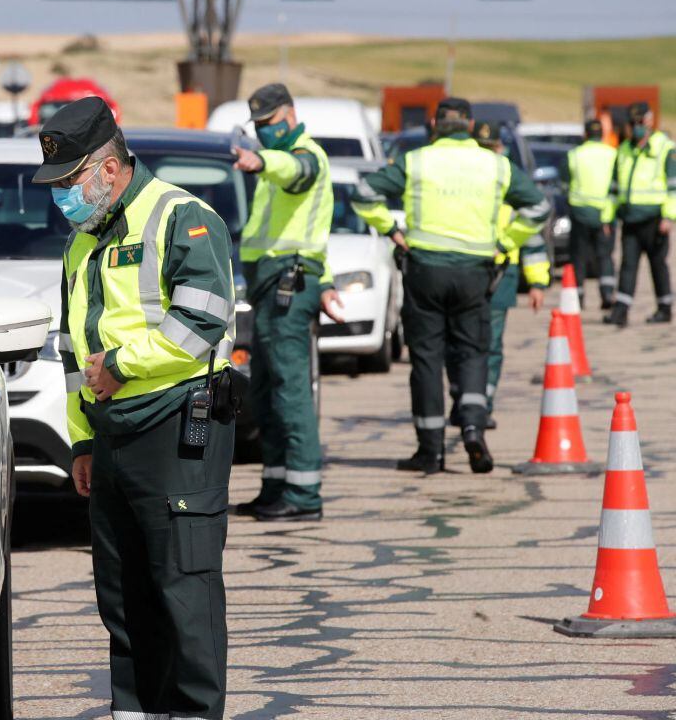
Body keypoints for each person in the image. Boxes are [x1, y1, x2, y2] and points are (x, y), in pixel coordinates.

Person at [35, 97, 235, 720]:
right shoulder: (83, 240)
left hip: (177, 425)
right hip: (113, 435)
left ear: (110, 168)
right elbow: (73, 349)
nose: (63, 196)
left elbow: (205, 317)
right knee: (121, 592)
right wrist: (82, 442)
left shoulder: (180, 216)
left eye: (71, 182)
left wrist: (123, 366)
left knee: (183, 585)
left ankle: (192, 711)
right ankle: (137, 710)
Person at [351, 97, 550, 475]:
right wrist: (507, 243)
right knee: (474, 351)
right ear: (471, 126)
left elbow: (364, 195)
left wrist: (391, 230)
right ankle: (473, 426)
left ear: (434, 125)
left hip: (425, 270)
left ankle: (430, 450)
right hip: (476, 272)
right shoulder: (495, 165)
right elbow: (539, 207)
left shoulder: (417, 161)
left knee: (426, 358)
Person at [230, 82, 343, 523]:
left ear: (290, 116)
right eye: (258, 128)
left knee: (291, 391)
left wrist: (261, 160)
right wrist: (327, 280)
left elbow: (296, 170)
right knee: (269, 391)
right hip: (274, 286)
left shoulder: (305, 156)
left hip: (287, 287)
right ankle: (276, 486)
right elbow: (311, 232)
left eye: (271, 124)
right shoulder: (279, 162)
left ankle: (303, 493)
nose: (264, 133)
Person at [448, 120, 548, 431]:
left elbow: (531, 234)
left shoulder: (509, 180)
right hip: (472, 269)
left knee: (481, 343)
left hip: (496, 273)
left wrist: (537, 281)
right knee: (464, 341)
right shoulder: (479, 178)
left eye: (491, 149)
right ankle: (467, 401)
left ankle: (480, 405)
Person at [604, 102, 676, 326]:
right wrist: (608, 217)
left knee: (658, 264)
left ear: (649, 121)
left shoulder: (664, 148)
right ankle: (621, 310)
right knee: (628, 265)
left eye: (640, 122)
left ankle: (664, 307)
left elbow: (673, 187)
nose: (636, 127)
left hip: (655, 219)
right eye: (633, 123)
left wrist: (669, 217)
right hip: (630, 218)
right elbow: (614, 188)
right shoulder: (624, 149)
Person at [562, 118, 619, 309]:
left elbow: (564, 185)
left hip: (579, 212)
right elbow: (616, 188)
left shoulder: (574, 154)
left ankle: (577, 296)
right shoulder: (612, 154)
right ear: (602, 134)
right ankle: (607, 294)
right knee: (605, 256)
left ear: (585, 134)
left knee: (579, 257)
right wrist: (608, 217)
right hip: (605, 214)